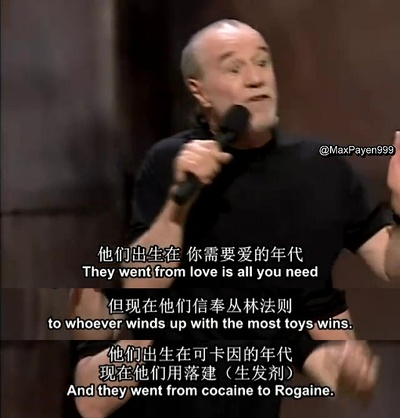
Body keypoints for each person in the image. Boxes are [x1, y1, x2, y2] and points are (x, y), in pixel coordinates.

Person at [72, 19, 399, 418]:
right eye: (234, 68)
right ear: (199, 91)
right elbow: (141, 285)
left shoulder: (321, 169)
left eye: (262, 62)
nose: (255, 79)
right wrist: (177, 207)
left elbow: (389, 264)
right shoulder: (171, 161)